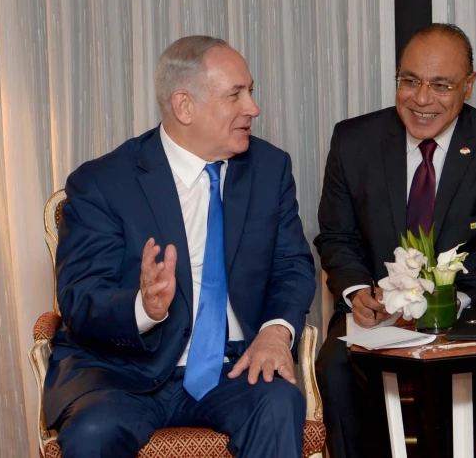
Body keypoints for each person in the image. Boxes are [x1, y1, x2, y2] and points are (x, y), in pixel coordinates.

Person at [44, 36, 317, 458]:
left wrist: (275, 333)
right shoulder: (102, 183)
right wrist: (143, 307)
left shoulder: (269, 168)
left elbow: (292, 265)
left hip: (233, 368)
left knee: (279, 402)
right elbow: (80, 297)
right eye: (235, 95)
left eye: (251, 91)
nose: (253, 108)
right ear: (184, 106)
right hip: (124, 373)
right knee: (92, 431)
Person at [314, 23, 476, 458]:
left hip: (474, 311)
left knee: (461, 372)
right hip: (378, 317)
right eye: (410, 81)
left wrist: (444, 303)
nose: (421, 99)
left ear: (468, 86)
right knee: (337, 366)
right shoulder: (353, 142)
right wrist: (358, 290)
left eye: (441, 85)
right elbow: (337, 237)